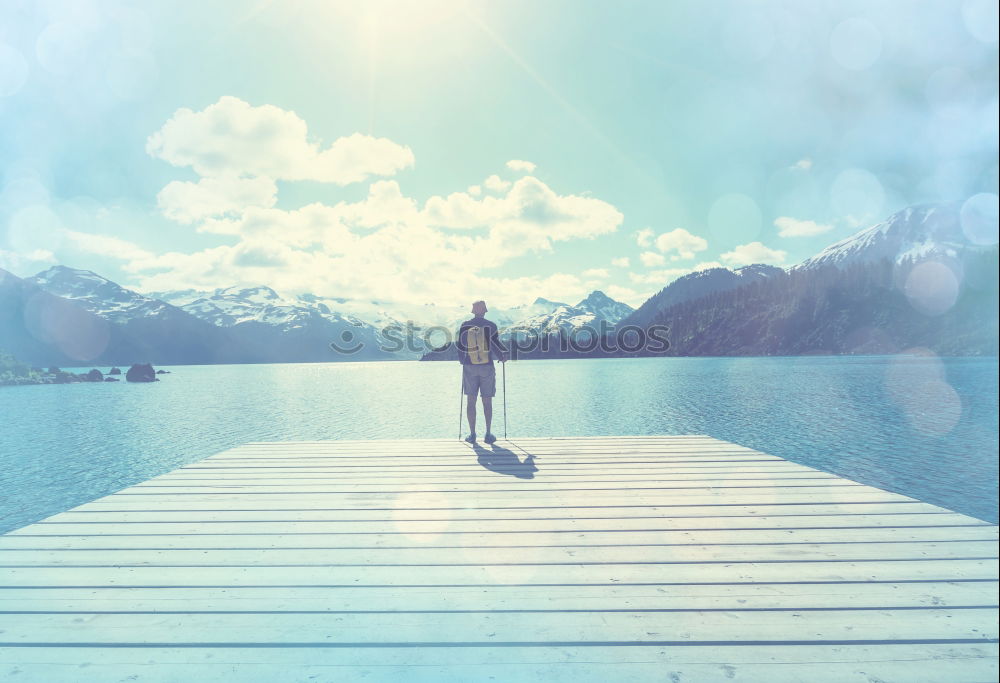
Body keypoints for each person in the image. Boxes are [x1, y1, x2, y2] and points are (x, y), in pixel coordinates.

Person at [456, 300, 508, 444]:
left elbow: (460, 346)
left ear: (473, 311)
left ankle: (472, 435)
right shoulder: (491, 325)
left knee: (471, 400)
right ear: (485, 311)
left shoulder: (465, 325)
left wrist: (462, 361)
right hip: (487, 366)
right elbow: (495, 343)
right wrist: (503, 355)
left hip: (469, 366)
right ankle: (488, 434)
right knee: (487, 401)